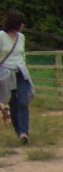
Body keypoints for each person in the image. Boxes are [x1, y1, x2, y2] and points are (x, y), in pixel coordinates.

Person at [0, 9, 34, 144]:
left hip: (20, 72)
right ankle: (19, 131)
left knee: (23, 101)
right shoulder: (1, 36)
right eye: (21, 23)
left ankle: (24, 132)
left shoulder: (22, 38)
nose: (23, 25)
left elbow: (22, 54)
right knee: (13, 103)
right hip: (6, 73)